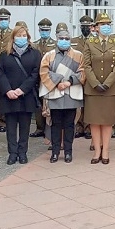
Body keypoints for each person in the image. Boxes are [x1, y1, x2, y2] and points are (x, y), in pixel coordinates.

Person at [83, 12, 115, 164]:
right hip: (93, 88)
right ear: (96, 27)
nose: (106, 27)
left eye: (108, 24)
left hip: (110, 88)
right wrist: (95, 83)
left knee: (107, 121)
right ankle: (97, 151)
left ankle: (106, 151)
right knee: (94, 121)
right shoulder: (90, 42)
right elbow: (86, 64)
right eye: (102, 24)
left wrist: (107, 83)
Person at [0, 24, 41, 165]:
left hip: (26, 95)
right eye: (18, 35)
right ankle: (12, 153)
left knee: (25, 126)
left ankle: (22, 153)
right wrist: (8, 90)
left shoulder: (34, 53)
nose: (21, 38)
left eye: (24, 36)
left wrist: (22, 90)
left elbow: (35, 74)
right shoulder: (5, 53)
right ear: (13, 37)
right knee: (10, 127)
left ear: (28, 38)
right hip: (9, 96)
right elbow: (0, 73)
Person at [39, 23, 85, 163]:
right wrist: (58, 82)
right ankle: (55, 152)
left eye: (66, 38)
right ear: (57, 39)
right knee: (56, 124)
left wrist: (69, 82)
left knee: (70, 124)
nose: (64, 40)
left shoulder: (78, 55)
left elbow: (83, 73)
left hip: (71, 93)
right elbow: (44, 72)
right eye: (61, 38)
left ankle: (68, 152)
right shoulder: (49, 55)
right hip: (55, 93)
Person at [30, 18, 56, 138]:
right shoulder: (35, 44)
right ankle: (39, 127)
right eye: (42, 30)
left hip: (50, 77)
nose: (44, 32)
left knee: (50, 104)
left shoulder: (55, 44)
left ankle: (50, 129)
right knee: (38, 104)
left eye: (46, 30)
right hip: (38, 78)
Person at [72, 14, 94, 141]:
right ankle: (79, 127)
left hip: (91, 76)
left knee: (89, 103)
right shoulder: (74, 41)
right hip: (78, 75)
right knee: (78, 102)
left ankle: (88, 128)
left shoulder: (95, 40)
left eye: (88, 26)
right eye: (83, 26)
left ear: (92, 27)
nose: (86, 28)